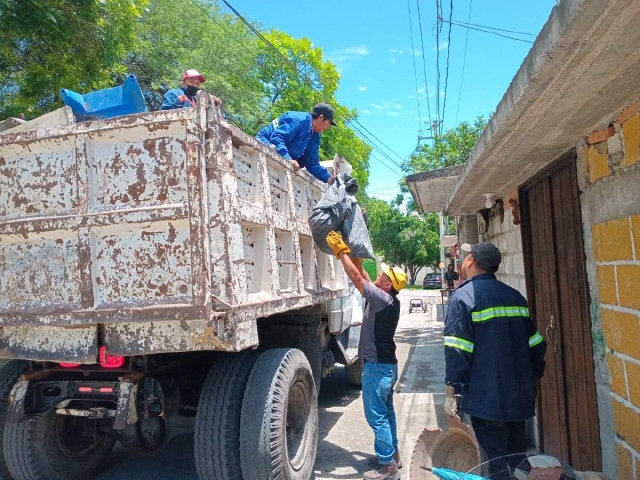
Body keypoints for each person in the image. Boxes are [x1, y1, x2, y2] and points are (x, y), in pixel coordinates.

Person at [443, 242, 547, 464]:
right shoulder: (515, 296)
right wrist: (534, 379)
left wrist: (453, 392)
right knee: (516, 460)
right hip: (519, 397)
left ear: (470, 261)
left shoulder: (463, 298)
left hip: (486, 400)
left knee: (495, 465)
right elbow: (536, 343)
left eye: (466, 256)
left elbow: (457, 350)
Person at [325, 231, 406, 480]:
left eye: (383, 274)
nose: (379, 274)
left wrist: (342, 254)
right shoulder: (389, 299)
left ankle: (386, 466)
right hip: (387, 367)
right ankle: (392, 456)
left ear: (388, 284)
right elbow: (366, 278)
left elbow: (358, 280)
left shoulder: (380, 298)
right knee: (387, 412)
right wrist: (357, 259)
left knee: (377, 416)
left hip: (377, 368)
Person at [256, 103, 338, 184]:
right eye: (328, 123)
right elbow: (277, 138)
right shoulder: (297, 120)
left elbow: (311, 162)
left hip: (280, 158)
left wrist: (328, 178)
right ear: (321, 118)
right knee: (273, 148)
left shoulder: (316, 135)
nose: (328, 127)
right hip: (263, 144)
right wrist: (288, 158)